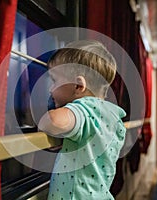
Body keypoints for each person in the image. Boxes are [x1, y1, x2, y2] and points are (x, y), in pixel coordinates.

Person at [38, 40, 126, 200]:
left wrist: (43, 123)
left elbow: (54, 121)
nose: (51, 89)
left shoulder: (85, 108)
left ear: (79, 86)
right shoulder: (110, 114)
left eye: (54, 80)